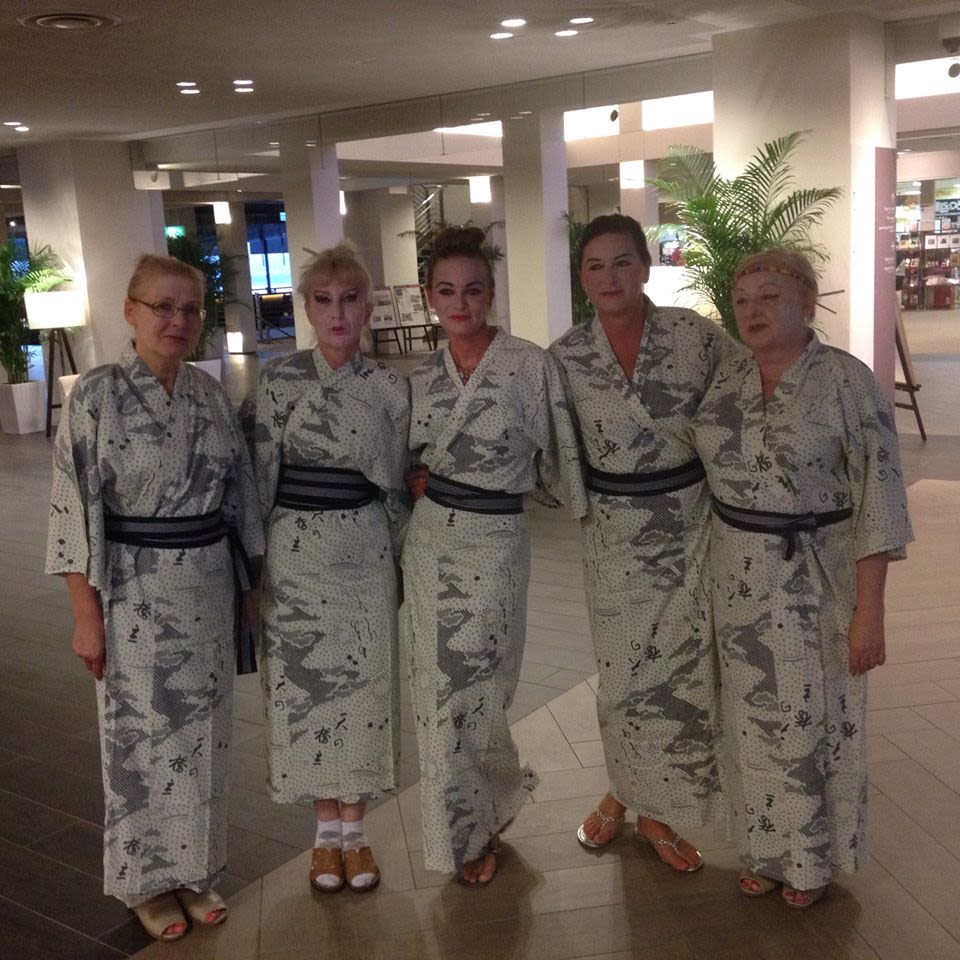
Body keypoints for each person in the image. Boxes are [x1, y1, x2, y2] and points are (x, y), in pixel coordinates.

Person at [45, 254, 264, 942]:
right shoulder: (97, 396)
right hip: (132, 592)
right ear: (130, 311)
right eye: (162, 307)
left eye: (190, 309)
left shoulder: (209, 395)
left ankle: (194, 871)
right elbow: (72, 508)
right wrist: (85, 615)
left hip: (208, 585)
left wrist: (249, 594)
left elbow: (240, 497)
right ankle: (146, 882)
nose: (177, 320)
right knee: (139, 741)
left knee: (202, 737)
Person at [691, 248, 913, 908]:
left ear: (807, 304)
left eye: (770, 298)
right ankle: (762, 850)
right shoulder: (725, 381)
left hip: (819, 578)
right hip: (735, 578)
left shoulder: (849, 382)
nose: (753, 311)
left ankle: (812, 861)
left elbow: (880, 499)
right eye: (743, 301)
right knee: (750, 719)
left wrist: (869, 612)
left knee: (814, 720)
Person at [549, 213, 735, 872]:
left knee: (682, 672)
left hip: (690, 525)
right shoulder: (565, 358)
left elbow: (744, 410)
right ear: (582, 278)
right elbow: (545, 446)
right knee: (624, 676)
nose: (610, 277)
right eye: (595, 266)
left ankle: (652, 807)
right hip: (613, 531)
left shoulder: (696, 337)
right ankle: (626, 790)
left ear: (646, 267)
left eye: (623, 261)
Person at [403, 226, 586, 886]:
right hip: (431, 541)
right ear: (429, 296)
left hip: (496, 539)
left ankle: (493, 795)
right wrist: (417, 480)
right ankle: (465, 828)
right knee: (436, 693)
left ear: (491, 294)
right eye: (447, 291)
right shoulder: (420, 378)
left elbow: (561, 457)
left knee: (481, 687)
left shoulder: (529, 365)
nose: (461, 304)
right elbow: (402, 458)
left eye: (474, 290)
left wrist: (520, 485)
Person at [251, 242, 410, 894]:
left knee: (365, 685)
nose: (338, 312)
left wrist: (401, 559)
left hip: (364, 547)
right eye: (323, 300)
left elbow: (397, 484)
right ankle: (324, 836)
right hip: (294, 550)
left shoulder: (390, 387)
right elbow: (257, 478)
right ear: (307, 308)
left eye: (350, 299)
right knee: (305, 687)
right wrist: (256, 565)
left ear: (368, 306)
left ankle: (357, 830)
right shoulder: (280, 381)